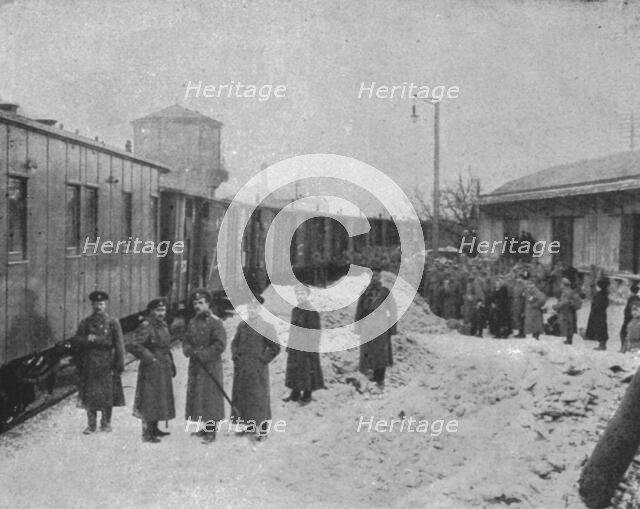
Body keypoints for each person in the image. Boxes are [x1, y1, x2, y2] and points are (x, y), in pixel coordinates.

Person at [73, 291, 125, 434]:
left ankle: (106, 423)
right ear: (92, 305)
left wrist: (120, 365)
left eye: (101, 304)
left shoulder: (113, 322)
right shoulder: (85, 323)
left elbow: (119, 344)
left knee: (107, 395)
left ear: (105, 305)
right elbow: (77, 341)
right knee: (90, 395)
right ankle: (91, 425)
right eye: (96, 304)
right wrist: (86, 340)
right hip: (90, 364)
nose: (98, 307)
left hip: (107, 363)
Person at [231, 296, 281, 441]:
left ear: (260, 309)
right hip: (243, 368)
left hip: (257, 369)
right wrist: (235, 356)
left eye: (255, 308)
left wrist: (262, 360)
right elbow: (234, 343)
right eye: (250, 308)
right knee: (244, 398)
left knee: (259, 398)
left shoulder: (267, 326)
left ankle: (262, 431)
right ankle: (248, 426)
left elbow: (275, 347)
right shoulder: (242, 326)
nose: (252, 310)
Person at [127, 298, 176, 443]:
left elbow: (166, 347)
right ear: (151, 311)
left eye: (163, 310)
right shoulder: (146, 326)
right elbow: (134, 345)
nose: (161, 313)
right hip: (151, 368)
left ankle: (155, 428)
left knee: (159, 397)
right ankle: (147, 433)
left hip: (163, 366)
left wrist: (171, 364)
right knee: (149, 399)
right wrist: (150, 358)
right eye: (158, 310)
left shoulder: (163, 325)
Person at [183, 289, 227, 444]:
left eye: (201, 303)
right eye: (195, 303)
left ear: (208, 304)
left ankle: (211, 431)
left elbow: (220, 345)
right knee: (199, 396)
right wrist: (188, 350)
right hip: (196, 366)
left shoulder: (216, 322)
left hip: (210, 366)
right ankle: (205, 428)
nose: (197, 306)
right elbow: (186, 339)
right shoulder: (193, 321)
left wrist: (203, 354)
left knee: (210, 397)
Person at [355, 266, 397, 391]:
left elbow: (393, 310)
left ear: (380, 278)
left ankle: (380, 378)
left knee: (380, 352)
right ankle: (370, 375)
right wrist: (358, 327)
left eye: (377, 276)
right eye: (372, 276)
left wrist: (392, 328)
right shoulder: (364, 292)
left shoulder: (385, 291)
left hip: (381, 324)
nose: (374, 278)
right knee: (367, 350)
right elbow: (359, 310)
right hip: (367, 324)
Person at [284, 284, 324, 404]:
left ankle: (307, 394)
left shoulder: (312, 312)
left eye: (302, 294)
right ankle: (295, 392)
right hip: (296, 344)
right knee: (295, 368)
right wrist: (290, 346)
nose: (299, 296)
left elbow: (315, 332)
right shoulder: (295, 310)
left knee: (307, 369)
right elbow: (292, 329)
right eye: (298, 294)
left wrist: (312, 347)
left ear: (307, 295)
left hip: (307, 346)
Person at [554, 278, 582, 345]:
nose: (560, 285)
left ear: (564, 285)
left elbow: (563, 302)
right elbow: (579, 301)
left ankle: (569, 340)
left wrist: (556, 307)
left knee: (568, 325)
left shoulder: (566, 292)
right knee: (570, 325)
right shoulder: (572, 291)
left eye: (561, 284)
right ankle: (569, 339)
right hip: (571, 311)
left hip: (566, 311)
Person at [585, 278, 610, 351]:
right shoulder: (604, 293)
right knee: (601, 327)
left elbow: (597, 304)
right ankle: (602, 344)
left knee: (600, 328)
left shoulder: (600, 294)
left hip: (597, 314)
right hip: (601, 313)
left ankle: (602, 345)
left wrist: (594, 309)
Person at [523, 274, 545, 340]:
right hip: (530, 310)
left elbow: (542, 299)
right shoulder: (528, 290)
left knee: (536, 323)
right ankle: (534, 335)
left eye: (529, 283)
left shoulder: (535, 290)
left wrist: (535, 305)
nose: (528, 285)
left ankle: (536, 335)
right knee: (532, 323)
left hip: (534, 310)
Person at [620, 283, 640, 353]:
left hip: (629, 318)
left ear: (631, 291)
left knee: (623, 333)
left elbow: (630, 309)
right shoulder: (638, 298)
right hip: (634, 319)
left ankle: (623, 349)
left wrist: (626, 315)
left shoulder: (631, 298)